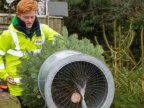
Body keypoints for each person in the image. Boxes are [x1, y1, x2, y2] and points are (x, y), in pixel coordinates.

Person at [0, 0, 60, 98]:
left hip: (37, 86)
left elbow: (60, 41)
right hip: (17, 88)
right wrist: (4, 75)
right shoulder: (8, 35)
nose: (30, 20)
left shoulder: (43, 30)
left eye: (32, 17)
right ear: (18, 15)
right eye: (26, 17)